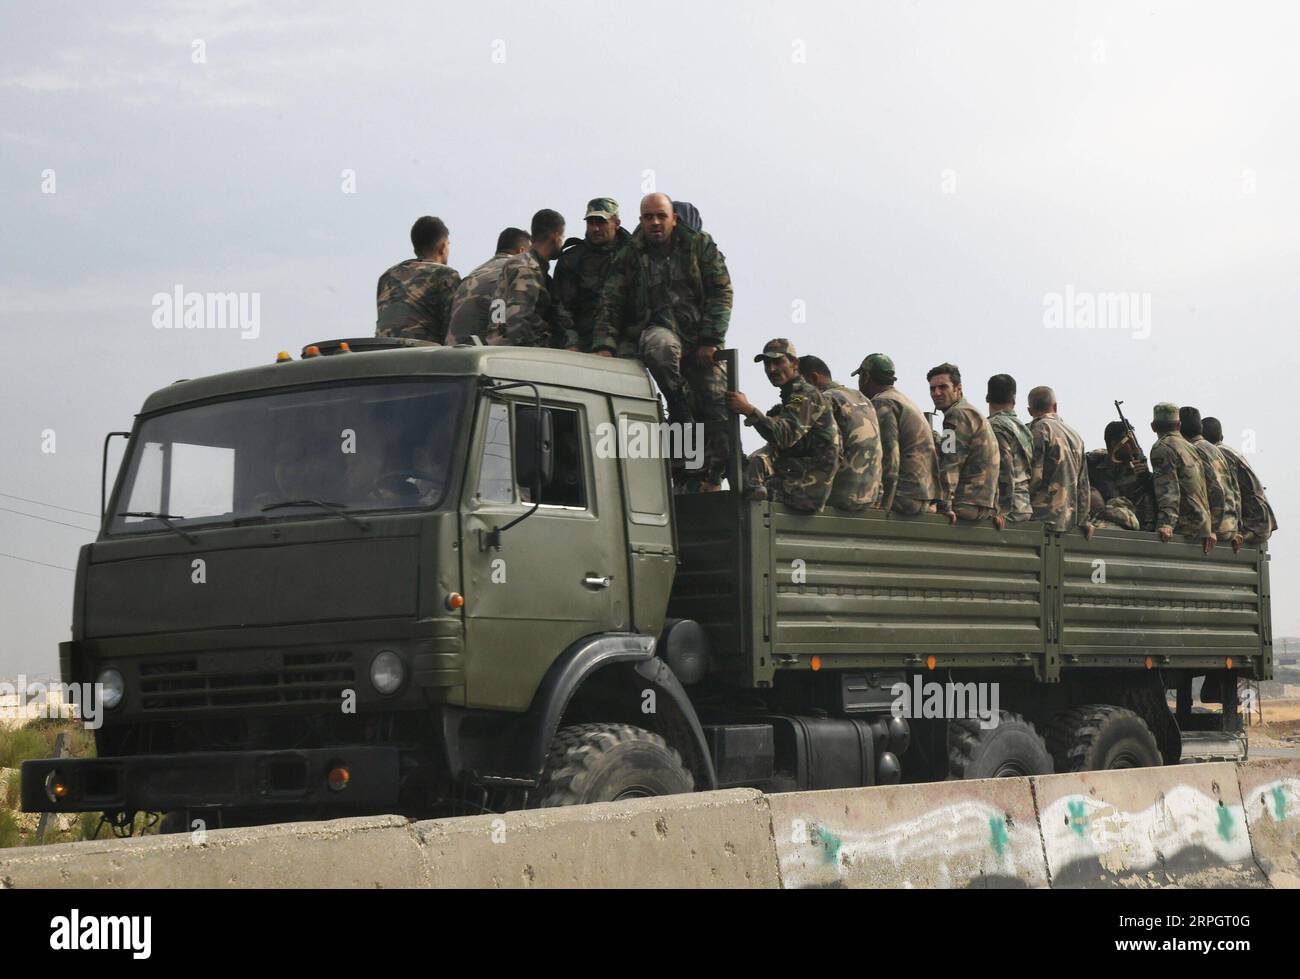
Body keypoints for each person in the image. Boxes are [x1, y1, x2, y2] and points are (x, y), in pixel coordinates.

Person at [593, 193, 733, 491]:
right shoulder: (632, 253)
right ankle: (678, 406)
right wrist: (604, 344)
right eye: (647, 217)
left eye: (660, 216)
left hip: (699, 338)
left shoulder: (699, 245)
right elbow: (611, 300)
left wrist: (711, 340)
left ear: (674, 219)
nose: (654, 222)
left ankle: (720, 477)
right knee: (660, 346)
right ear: (641, 221)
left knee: (719, 404)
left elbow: (721, 291)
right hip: (659, 329)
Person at [726, 339, 840, 512]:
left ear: (795, 364)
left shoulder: (803, 394)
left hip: (806, 490)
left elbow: (784, 437)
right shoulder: (793, 395)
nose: (772, 369)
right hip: (795, 481)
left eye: (778, 362)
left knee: (741, 500)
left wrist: (749, 410)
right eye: (767, 364)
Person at [853, 353, 939, 515]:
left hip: (904, 497)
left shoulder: (883, 403)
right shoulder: (902, 400)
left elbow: (889, 459)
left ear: (865, 376)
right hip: (922, 494)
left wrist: (884, 506)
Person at [798, 355, 882, 510]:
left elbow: (826, 451)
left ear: (813, 378)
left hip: (841, 497)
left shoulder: (824, 400)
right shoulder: (862, 398)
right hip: (870, 497)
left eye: (799, 385)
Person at [487, 209, 577, 349]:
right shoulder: (528, 268)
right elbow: (517, 323)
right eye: (562, 236)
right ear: (555, 236)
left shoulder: (531, 268)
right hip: (515, 353)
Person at [553, 198, 632, 353]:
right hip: (582, 343)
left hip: (625, 341)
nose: (595, 228)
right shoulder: (572, 259)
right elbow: (561, 307)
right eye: (591, 222)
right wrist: (571, 343)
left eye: (601, 222)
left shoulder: (633, 255)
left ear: (616, 223)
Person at [928, 363, 999, 524]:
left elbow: (951, 462)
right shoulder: (971, 412)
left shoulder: (956, 414)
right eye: (932, 389)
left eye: (943, 387)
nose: (937, 393)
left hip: (966, 504)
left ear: (958, 388)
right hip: (984, 504)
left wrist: (943, 505)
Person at [376, 216, 461, 343]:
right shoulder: (445, 275)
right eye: (448, 244)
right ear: (443, 248)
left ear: (415, 248)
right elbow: (454, 329)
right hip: (423, 356)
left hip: (384, 353)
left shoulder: (388, 276)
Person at [1149, 402, 1215, 554]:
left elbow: (1168, 488)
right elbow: (1213, 486)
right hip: (1202, 525)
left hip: (1185, 528)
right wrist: (1212, 528)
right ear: (1179, 424)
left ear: (1153, 427)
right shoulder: (1192, 447)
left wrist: (1167, 524)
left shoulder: (1162, 448)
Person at [1026, 386, 1093, 536]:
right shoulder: (1075, 436)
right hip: (1068, 523)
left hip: (1039, 520)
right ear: (1055, 406)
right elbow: (1083, 484)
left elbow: (1033, 477)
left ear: (1030, 411)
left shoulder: (1037, 430)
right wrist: (1084, 520)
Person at [446, 227, 531, 344]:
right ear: (522, 251)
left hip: (452, 351)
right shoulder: (514, 273)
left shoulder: (475, 273)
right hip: (481, 355)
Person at [1203, 416, 1278, 546]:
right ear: (1222, 437)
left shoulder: (1220, 454)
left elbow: (1233, 494)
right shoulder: (1228, 451)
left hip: (1254, 525)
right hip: (1261, 521)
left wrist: (1236, 530)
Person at [1180, 406, 1242, 552]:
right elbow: (1234, 490)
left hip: (1216, 528)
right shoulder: (1216, 449)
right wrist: (1237, 528)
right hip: (1230, 526)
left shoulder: (1193, 450)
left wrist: (1211, 529)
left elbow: (1216, 491)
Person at [1085, 421, 1157, 531]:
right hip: (1102, 527)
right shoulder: (1093, 466)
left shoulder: (1140, 472)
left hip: (1135, 532)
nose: (1135, 447)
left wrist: (1147, 477)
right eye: (1130, 442)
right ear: (1115, 444)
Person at [985, 373, 1033, 523]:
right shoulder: (1023, 428)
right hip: (1023, 506)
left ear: (987, 397)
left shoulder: (994, 426)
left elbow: (1005, 468)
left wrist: (1002, 510)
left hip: (1006, 512)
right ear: (1014, 399)